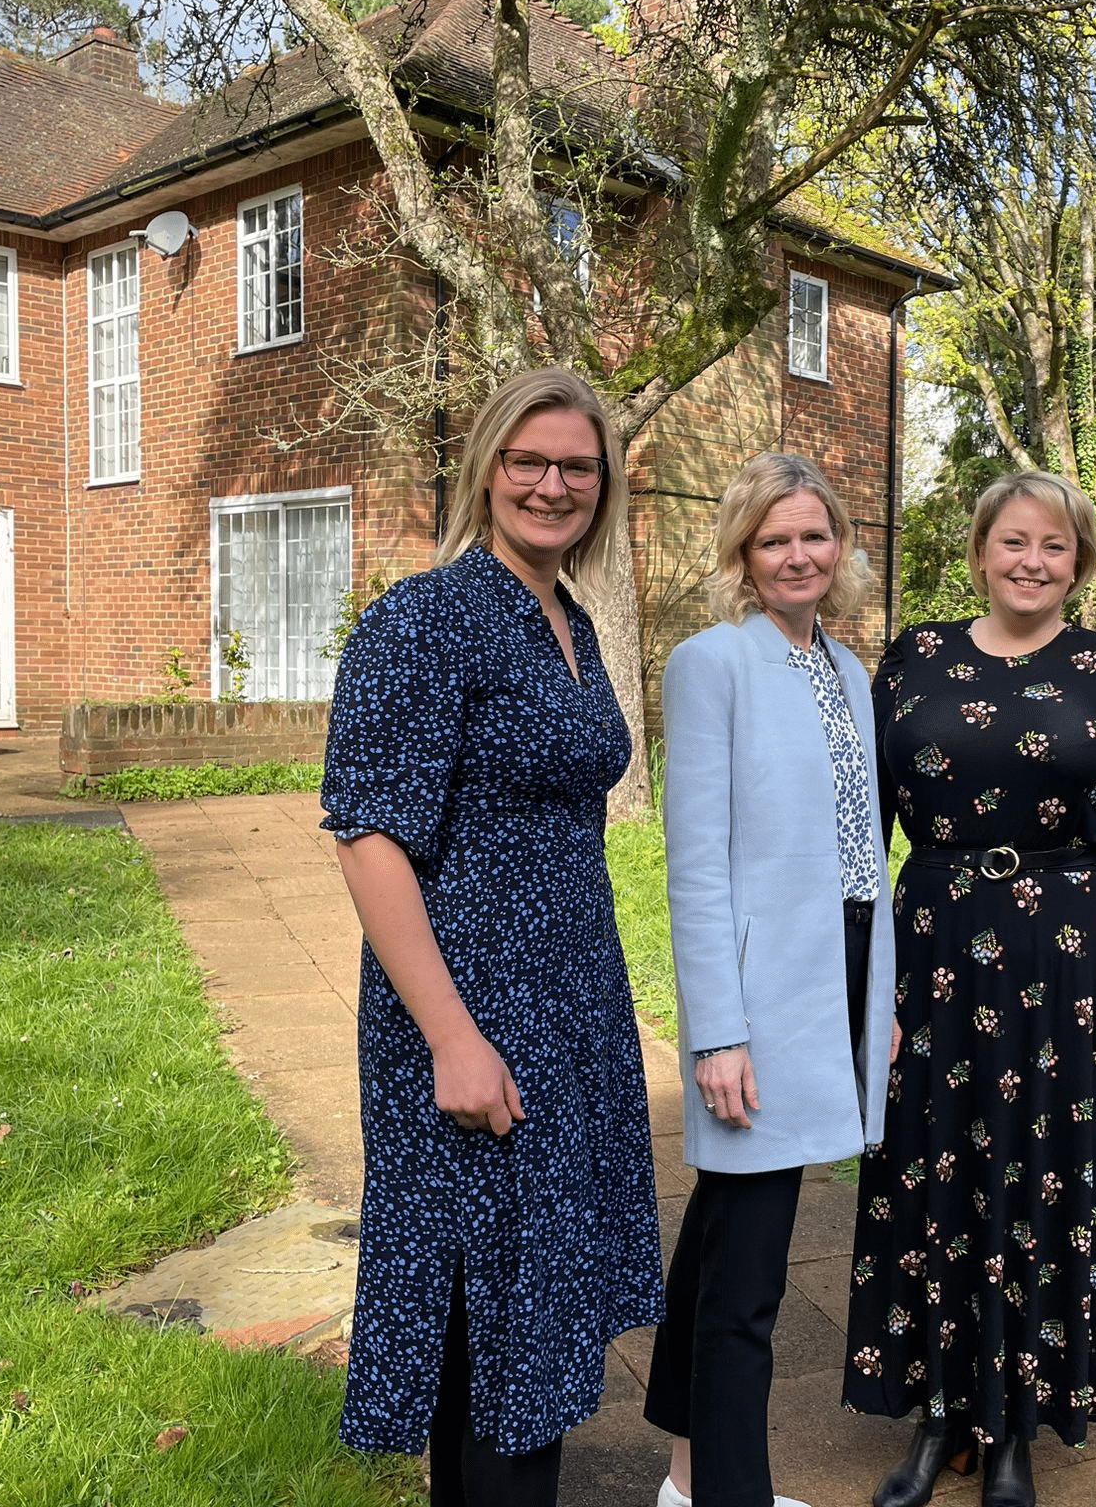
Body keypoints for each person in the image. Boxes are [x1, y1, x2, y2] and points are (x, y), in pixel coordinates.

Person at [320, 367, 664, 1506]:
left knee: (532, 1310)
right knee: (487, 1316)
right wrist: (452, 1040)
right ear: (485, 468)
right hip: (468, 1007)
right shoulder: (426, 617)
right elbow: (369, 836)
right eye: (529, 461)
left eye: (577, 465)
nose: (552, 485)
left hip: (570, 1000)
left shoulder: (566, 619)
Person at [842, 471, 1096, 1507]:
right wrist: (864, 987)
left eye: (1055, 547)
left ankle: (1018, 1422)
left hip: (1072, 958)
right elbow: (863, 833)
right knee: (934, 1168)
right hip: (934, 944)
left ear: (1078, 561)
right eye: (1013, 542)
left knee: (1047, 1175)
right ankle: (940, 1410)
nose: (1031, 562)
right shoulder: (912, 658)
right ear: (980, 547)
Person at [644, 453, 897, 1507]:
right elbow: (694, 863)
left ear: (839, 548)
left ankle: (684, 1475)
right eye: (774, 539)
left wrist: (873, 1001)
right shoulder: (711, 664)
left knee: (720, 1236)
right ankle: (729, 1497)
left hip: (837, 969)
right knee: (748, 1279)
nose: (797, 555)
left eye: (814, 535)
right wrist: (716, 1032)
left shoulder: (844, 670)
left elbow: (861, 858)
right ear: (744, 555)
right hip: (760, 993)